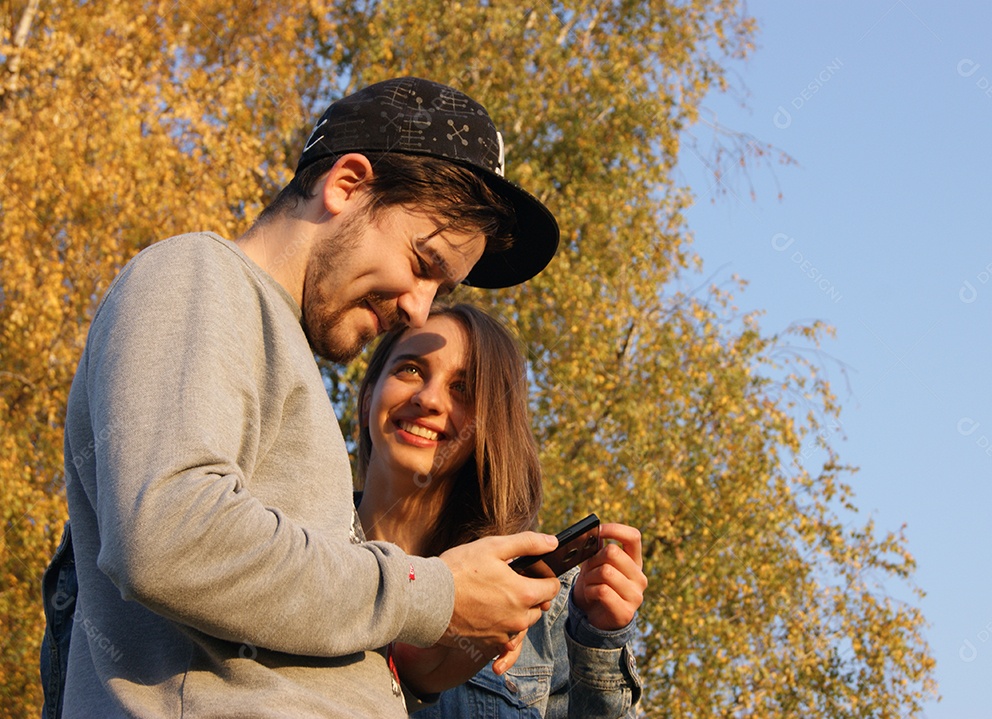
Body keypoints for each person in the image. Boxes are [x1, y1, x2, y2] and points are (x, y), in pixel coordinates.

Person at [47, 76, 564, 718]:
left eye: (441, 289)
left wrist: (423, 666)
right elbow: (168, 537)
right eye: (422, 263)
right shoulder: (199, 273)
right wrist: (432, 592)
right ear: (346, 185)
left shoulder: (273, 345)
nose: (418, 308)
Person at [354, 303, 645, 717]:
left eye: (463, 388)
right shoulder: (298, 546)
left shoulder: (542, 604)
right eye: (411, 369)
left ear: (489, 426)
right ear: (369, 398)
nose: (429, 398)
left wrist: (598, 641)